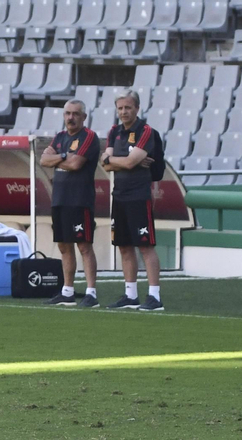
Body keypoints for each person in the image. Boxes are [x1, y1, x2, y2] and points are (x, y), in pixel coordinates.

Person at [99, 89, 164, 311]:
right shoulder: (113, 131)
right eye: (120, 108)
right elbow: (105, 164)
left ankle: (155, 297)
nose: (124, 112)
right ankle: (131, 295)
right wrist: (123, 159)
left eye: (128, 107)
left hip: (139, 195)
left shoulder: (146, 131)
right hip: (119, 195)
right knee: (124, 246)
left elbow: (123, 163)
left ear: (137, 108)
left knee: (145, 246)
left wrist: (115, 159)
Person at [39, 99, 101, 308]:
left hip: (79, 199)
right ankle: (67, 291)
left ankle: (91, 293)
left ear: (84, 117)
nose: (71, 118)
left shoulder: (89, 137)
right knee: (64, 246)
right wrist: (64, 155)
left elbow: (76, 164)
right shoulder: (60, 137)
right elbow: (43, 160)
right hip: (60, 198)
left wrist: (57, 158)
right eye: (67, 114)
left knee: (84, 245)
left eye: (75, 114)